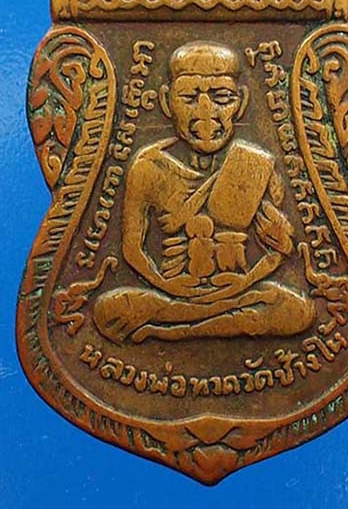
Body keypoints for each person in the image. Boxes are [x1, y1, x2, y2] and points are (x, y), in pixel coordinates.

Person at [94, 41, 316, 343]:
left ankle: (173, 330)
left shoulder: (253, 163)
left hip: (238, 290)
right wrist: (167, 286)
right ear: (166, 102)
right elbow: (132, 250)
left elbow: (278, 250)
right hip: (170, 292)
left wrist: (244, 282)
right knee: (108, 309)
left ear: (241, 101)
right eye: (189, 98)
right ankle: (204, 321)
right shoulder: (148, 166)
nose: (205, 112)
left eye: (221, 98)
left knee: (299, 311)